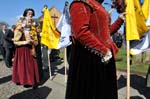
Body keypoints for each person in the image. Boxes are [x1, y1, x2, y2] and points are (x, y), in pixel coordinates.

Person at [65, 0, 125, 99]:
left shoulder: (100, 7)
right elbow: (80, 32)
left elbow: (105, 33)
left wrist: (119, 20)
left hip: (103, 58)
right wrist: (103, 51)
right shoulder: (81, 3)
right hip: (89, 60)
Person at [12, 8, 40, 89]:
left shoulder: (34, 25)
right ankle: (23, 80)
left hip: (31, 48)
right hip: (22, 49)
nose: (30, 15)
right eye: (28, 14)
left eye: (31, 14)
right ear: (25, 15)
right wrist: (25, 42)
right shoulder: (20, 25)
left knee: (32, 65)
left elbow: (37, 35)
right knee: (23, 66)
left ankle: (32, 81)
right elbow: (16, 41)